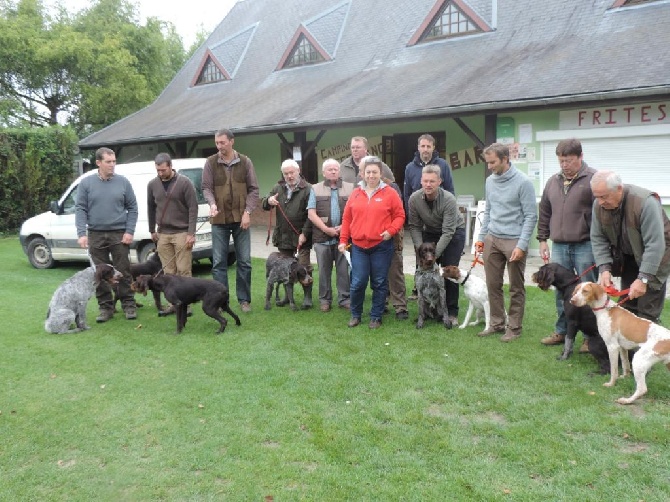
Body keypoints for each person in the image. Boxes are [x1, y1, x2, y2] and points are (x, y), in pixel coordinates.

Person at [537, 138, 598, 348]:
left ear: (580, 157)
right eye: (561, 161)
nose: (564, 165)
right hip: (559, 245)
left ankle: (591, 338)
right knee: (561, 292)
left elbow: (601, 215)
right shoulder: (553, 181)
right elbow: (544, 212)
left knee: (588, 292)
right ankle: (562, 331)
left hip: (585, 245)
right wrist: (542, 239)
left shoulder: (592, 179)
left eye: (569, 160)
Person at [475, 143, 537, 342]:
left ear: (504, 159)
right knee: (493, 284)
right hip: (492, 237)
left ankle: (514, 328)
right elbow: (489, 212)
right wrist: (481, 239)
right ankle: (496, 323)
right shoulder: (489, 181)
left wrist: (522, 245)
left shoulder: (523, 183)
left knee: (516, 287)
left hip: (514, 240)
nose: (490, 166)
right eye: (488, 163)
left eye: (493, 162)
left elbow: (530, 216)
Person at [590, 170, 670, 323]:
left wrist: (644, 279)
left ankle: (655, 346)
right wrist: (604, 269)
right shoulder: (598, 206)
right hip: (629, 259)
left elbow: (655, 244)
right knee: (627, 309)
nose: (600, 202)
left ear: (619, 188)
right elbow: (598, 238)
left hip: (656, 261)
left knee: (647, 315)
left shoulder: (646, 203)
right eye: (597, 197)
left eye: (604, 196)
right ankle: (630, 347)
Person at [338, 156, 405, 329]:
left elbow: (400, 216)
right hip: (359, 247)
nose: (371, 175)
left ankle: (376, 316)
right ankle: (355, 314)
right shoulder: (356, 193)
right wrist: (343, 240)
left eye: (375, 172)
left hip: (381, 247)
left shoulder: (390, 193)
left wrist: (391, 231)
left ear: (380, 174)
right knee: (358, 282)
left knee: (379, 282)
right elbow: (347, 218)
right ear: (362, 174)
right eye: (368, 172)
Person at [75, 147, 138, 322]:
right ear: (98, 163)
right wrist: (82, 233)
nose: (112, 165)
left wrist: (129, 231)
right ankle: (105, 308)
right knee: (99, 274)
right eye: (108, 162)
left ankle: (129, 304)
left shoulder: (123, 182)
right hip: (95, 233)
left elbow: (132, 208)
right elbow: (80, 209)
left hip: (119, 233)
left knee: (124, 270)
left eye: (114, 161)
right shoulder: (86, 184)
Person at [202, 128, 259, 313]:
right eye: (217, 143)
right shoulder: (210, 162)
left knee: (244, 262)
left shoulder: (245, 162)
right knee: (219, 263)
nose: (219, 146)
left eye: (222, 142)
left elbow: (254, 190)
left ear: (232, 141)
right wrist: (211, 203)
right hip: (219, 220)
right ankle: (220, 301)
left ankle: (244, 300)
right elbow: (206, 188)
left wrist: (248, 212)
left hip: (241, 220)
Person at [408, 164, 466, 326]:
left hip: (454, 233)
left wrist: (433, 256)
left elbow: (448, 231)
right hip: (431, 231)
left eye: (432, 181)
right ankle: (429, 309)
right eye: (425, 181)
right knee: (424, 270)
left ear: (439, 181)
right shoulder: (414, 199)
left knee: (448, 270)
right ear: (421, 181)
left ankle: (452, 312)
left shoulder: (448, 199)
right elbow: (414, 226)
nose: (428, 184)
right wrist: (422, 252)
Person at [147, 152, 198, 315]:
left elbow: (193, 208)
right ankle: (174, 304)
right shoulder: (152, 184)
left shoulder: (185, 183)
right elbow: (151, 207)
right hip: (163, 234)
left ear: (170, 166)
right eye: (158, 170)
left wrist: (191, 232)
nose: (160, 173)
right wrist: (151, 230)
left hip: (182, 232)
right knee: (169, 273)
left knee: (183, 270)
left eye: (163, 170)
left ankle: (187, 305)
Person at [262, 159, 313, 308]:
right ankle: (287, 297)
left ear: (298, 171)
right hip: (283, 237)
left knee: (303, 268)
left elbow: (312, 214)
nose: (289, 176)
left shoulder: (308, 189)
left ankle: (307, 297)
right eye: (286, 173)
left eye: (292, 172)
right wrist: (269, 200)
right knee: (286, 270)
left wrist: (305, 233)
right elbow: (265, 203)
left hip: (302, 237)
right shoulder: (277, 187)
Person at [307, 158, 354, 312]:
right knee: (323, 271)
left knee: (343, 270)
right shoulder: (315, 188)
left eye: (335, 169)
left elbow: (355, 211)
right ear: (323, 172)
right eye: (329, 169)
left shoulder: (350, 188)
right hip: (321, 238)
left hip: (343, 237)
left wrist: (343, 227)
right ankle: (325, 300)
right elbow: (311, 214)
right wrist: (326, 229)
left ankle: (344, 299)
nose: (333, 171)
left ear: (339, 171)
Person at [403, 133, 455, 208]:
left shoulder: (443, 165)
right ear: (418, 147)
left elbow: (450, 191)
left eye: (428, 146)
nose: (425, 149)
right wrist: (410, 213)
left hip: (438, 213)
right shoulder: (410, 168)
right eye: (423, 146)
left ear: (433, 147)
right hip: (417, 213)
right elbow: (407, 195)